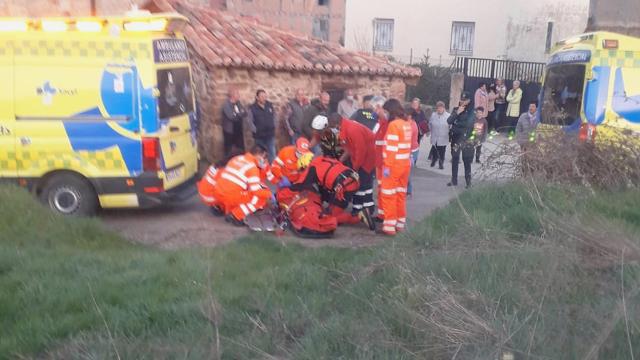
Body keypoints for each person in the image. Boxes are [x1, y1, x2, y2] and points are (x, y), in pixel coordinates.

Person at [197, 145, 273, 226]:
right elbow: (256, 191)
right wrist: (269, 195)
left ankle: (227, 210)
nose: (265, 160)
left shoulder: (236, 159)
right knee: (259, 198)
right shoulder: (252, 167)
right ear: (258, 155)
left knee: (240, 192)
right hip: (220, 196)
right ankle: (236, 216)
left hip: (217, 193)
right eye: (264, 157)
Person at [290, 151, 370, 228]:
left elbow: (299, 185)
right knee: (329, 207)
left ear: (305, 164)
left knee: (328, 217)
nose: (303, 172)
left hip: (344, 186)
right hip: (352, 180)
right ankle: (344, 212)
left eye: (302, 169)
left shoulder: (312, 169)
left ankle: (359, 216)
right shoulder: (324, 160)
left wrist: (286, 187)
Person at [328, 113, 376, 220]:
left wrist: (355, 168)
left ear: (337, 125)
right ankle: (367, 208)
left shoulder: (352, 130)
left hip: (368, 158)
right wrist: (339, 161)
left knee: (360, 184)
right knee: (365, 185)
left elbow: (361, 150)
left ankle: (359, 209)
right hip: (364, 157)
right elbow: (348, 150)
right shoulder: (346, 128)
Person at [378, 99, 412, 236]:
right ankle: (399, 224)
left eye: (386, 111)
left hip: (393, 166)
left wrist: (386, 168)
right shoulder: (407, 124)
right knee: (400, 194)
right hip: (405, 165)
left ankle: (389, 226)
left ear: (391, 111)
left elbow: (391, 149)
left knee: (388, 194)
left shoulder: (393, 125)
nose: (385, 114)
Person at [447, 91, 476, 188]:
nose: (462, 102)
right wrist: (457, 113)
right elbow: (449, 121)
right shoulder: (456, 109)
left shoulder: (472, 111)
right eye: (461, 100)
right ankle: (454, 180)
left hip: (466, 139)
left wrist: (457, 123)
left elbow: (468, 124)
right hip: (455, 139)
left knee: (466, 160)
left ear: (469, 101)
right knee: (455, 159)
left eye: (465, 100)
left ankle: (468, 182)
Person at [248, 89, 276, 162]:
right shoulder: (252, 108)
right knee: (260, 154)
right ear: (257, 97)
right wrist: (255, 130)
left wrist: (274, 125)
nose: (264, 98)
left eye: (265, 96)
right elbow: (249, 121)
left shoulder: (269, 105)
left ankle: (272, 168)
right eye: (262, 96)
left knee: (272, 152)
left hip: (270, 134)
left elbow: (275, 116)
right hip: (259, 136)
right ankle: (261, 169)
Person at [222, 89, 248, 158]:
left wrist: (236, 114)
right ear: (232, 95)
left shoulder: (238, 103)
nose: (239, 95)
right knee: (228, 149)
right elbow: (231, 116)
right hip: (230, 131)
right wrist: (239, 113)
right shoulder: (226, 105)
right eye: (237, 94)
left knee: (241, 148)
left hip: (238, 130)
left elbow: (245, 113)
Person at [404, 105, 420, 197]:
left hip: (411, 151)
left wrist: (409, 154)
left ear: (410, 115)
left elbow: (408, 140)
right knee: (406, 171)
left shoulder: (411, 125)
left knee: (407, 171)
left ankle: (408, 190)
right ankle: (407, 190)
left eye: (406, 114)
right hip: (410, 150)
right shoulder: (408, 123)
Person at [429, 101, 450, 169]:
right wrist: (429, 131)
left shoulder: (448, 116)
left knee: (442, 151)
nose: (439, 109)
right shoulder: (433, 115)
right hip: (435, 135)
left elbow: (451, 126)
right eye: (438, 108)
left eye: (441, 108)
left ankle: (441, 163)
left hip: (444, 136)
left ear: (444, 108)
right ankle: (434, 160)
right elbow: (430, 124)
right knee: (435, 150)